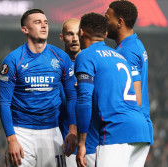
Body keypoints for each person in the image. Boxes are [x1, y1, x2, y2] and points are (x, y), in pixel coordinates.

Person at [0, 8, 77, 167]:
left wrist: (73, 130)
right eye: (37, 22)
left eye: (46, 22)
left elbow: (72, 96)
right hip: (22, 133)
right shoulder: (12, 60)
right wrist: (11, 138)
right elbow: (3, 103)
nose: (44, 26)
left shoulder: (61, 58)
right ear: (25, 29)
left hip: (52, 133)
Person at [74, 12, 150, 167]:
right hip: (141, 131)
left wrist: (81, 142)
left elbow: (84, 101)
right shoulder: (119, 56)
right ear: (105, 33)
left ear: (81, 32)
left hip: (116, 131)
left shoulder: (86, 56)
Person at [105, 0, 153, 149]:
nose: (104, 23)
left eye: (107, 19)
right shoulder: (135, 44)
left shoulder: (127, 51)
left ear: (120, 22)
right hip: (139, 129)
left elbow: (136, 99)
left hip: (127, 132)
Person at [58, 18, 98, 167]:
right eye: (70, 34)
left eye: (77, 34)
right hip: (64, 145)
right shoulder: (55, 67)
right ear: (62, 37)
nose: (75, 38)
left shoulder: (94, 65)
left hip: (93, 146)